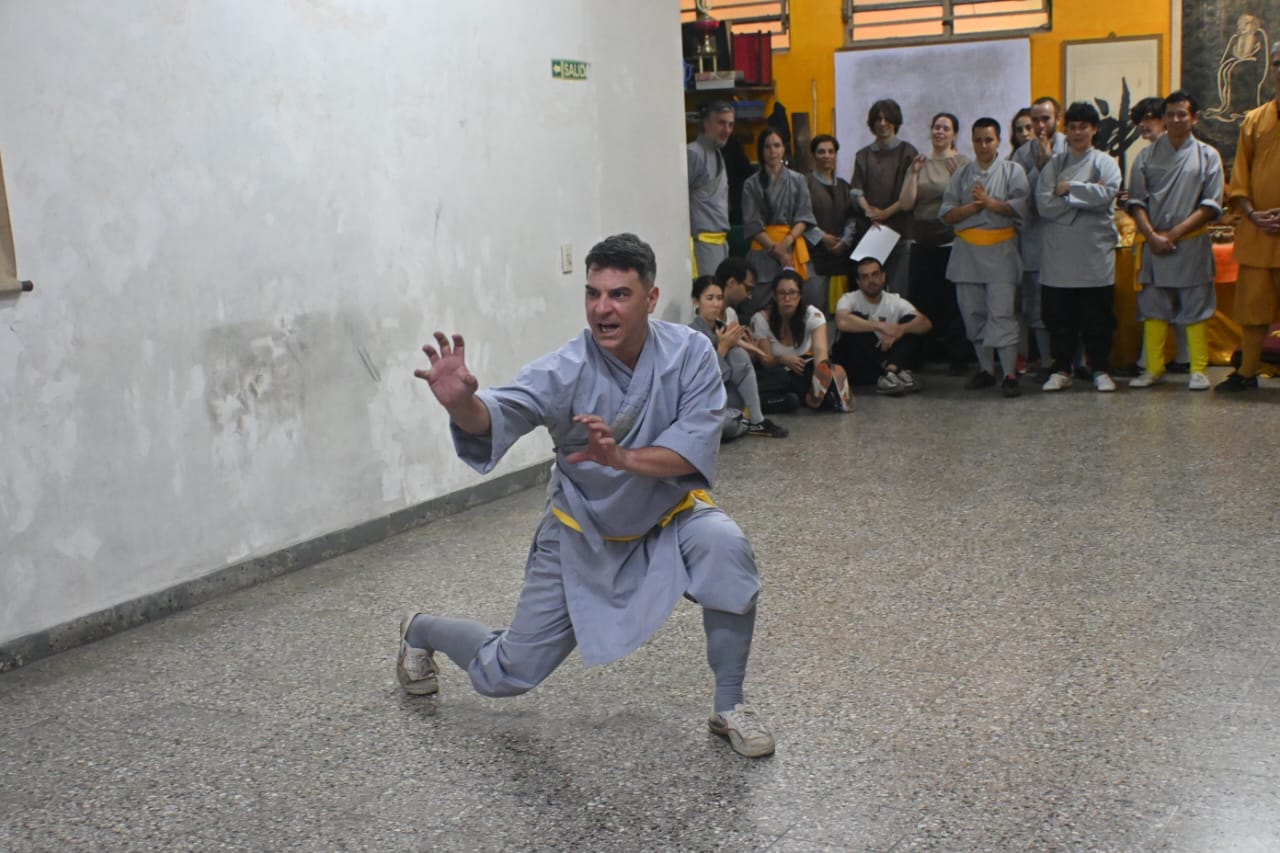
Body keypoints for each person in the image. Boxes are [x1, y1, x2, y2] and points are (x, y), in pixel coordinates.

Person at [402, 233, 775, 758]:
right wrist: (461, 405)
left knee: (726, 546)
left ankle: (730, 705)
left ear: (650, 298)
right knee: (506, 674)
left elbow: (692, 450)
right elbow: (498, 412)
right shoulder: (565, 369)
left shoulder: (690, 352)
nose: (602, 308)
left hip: (668, 517)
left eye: (619, 294)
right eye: (593, 293)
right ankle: (421, 629)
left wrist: (622, 458)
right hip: (583, 531)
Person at [1125, 91, 1223, 392]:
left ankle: (1198, 369)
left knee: (1196, 306)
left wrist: (1174, 234)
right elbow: (1136, 202)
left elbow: (1211, 205)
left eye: (1182, 114)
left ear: (1195, 118)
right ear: (1164, 118)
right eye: (1170, 114)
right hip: (1154, 243)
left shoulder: (1208, 156)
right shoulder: (1146, 156)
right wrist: (1152, 236)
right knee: (1153, 307)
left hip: (1190, 242)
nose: (1176, 119)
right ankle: (1153, 368)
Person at [1035, 102, 1124, 393]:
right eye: (1072, 127)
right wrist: (1084, 199)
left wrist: (1069, 188)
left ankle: (1100, 369)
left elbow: (1107, 194)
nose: (1077, 133)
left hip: (1093, 255)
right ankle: (1061, 368)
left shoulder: (1105, 162)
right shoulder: (1054, 164)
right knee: (1059, 319)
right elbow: (1044, 205)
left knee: (1097, 319)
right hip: (1059, 256)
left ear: (1094, 129)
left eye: (1083, 127)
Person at [941, 117, 1031, 398]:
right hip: (967, 253)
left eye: (988, 140)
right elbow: (947, 214)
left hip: (1001, 252)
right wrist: (974, 206)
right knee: (973, 314)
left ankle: (1010, 374)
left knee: (1002, 314)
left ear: (998, 141)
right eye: (978, 140)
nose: (983, 145)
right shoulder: (961, 174)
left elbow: (1022, 208)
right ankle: (986, 370)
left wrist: (990, 203)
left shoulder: (1012, 171)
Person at [1219, 42, 1280, 393]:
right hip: (1259, 232)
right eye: (1277, 64)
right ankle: (1247, 371)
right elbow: (1240, 175)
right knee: (1253, 309)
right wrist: (1253, 214)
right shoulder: (1254, 120)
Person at [900, 111, 972, 374]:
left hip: (951, 243)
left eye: (946, 128)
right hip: (922, 242)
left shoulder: (962, 163)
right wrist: (913, 175)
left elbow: (969, 203)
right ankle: (917, 358)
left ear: (954, 134)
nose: (940, 132)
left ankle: (959, 358)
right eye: (936, 127)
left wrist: (956, 179)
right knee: (920, 303)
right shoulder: (919, 162)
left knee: (954, 303)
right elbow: (906, 203)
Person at [690, 275, 788, 438]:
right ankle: (744, 423)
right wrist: (722, 348)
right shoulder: (691, 335)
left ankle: (757, 420)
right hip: (704, 402)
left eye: (719, 298)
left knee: (739, 353)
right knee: (720, 425)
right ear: (696, 301)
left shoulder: (722, 328)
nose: (716, 304)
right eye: (710, 298)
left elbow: (742, 362)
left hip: (727, 398)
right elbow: (701, 384)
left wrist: (752, 351)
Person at [1012, 97, 1068, 375]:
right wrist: (1039, 167)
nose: (1040, 125)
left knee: (1071, 306)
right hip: (1034, 240)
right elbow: (1020, 200)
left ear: (1058, 118)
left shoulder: (1073, 148)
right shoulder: (1022, 155)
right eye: (1035, 120)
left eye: (1046, 118)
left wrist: (1051, 167)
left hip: (1068, 240)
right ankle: (1046, 362)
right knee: (1036, 308)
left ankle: (1076, 363)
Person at [742, 127, 818, 318]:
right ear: (761, 151)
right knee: (759, 304)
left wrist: (786, 244)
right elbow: (752, 224)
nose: (772, 151)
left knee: (797, 303)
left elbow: (804, 217)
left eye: (777, 146)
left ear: (784, 148)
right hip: (763, 248)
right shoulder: (751, 183)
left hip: (791, 245)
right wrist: (777, 250)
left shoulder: (798, 180)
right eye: (767, 147)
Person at [750, 269, 852, 411]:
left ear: (800, 295)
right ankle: (815, 399)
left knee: (813, 370)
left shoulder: (813, 315)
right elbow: (766, 362)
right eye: (782, 293)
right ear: (774, 296)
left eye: (792, 293)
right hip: (775, 372)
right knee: (782, 377)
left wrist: (819, 379)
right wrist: (782, 359)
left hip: (799, 370)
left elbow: (821, 355)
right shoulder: (760, 319)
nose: (787, 299)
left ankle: (827, 396)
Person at [831, 256, 932, 395]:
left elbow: (925, 323)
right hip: (860, 363)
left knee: (911, 322)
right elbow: (842, 322)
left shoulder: (895, 300)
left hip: (888, 357)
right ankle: (890, 373)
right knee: (855, 319)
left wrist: (899, 330)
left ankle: (890, 372)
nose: (871, 280)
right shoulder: (849, 299)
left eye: (875, 274)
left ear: (883, 276)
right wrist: (880, 326)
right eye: (865, 277)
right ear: (858, 282)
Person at [852, 99, 919, 295]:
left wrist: (885, 213)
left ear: (895, 121)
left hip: (902, 231)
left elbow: (911, 193)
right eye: (878, 119)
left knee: (899, 290)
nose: (882, 123)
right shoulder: (863, 155)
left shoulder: (908, 152)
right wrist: (870, 212)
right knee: (870, 289)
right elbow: (856, 190)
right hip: (872, 231)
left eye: (887, 119)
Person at [805, 134, 858, 313]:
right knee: (814, 311)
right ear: (813, 155)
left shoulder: (844, 186)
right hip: (813, 259)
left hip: (840, 259)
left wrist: (845, 241)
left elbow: (852, 218)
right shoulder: (804, 183)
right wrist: (822, 237)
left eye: (830, 151)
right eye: (821, 152)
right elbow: (799, 217)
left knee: (840, 312)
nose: (826, 156)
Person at [687, 101, 736, 278]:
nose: (727, 130)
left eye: (730, 125)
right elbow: (678, 200)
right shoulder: (694, 153)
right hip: (701, 242)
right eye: (721, 123)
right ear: (706, 123)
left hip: (720, 242)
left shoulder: (717, 153)